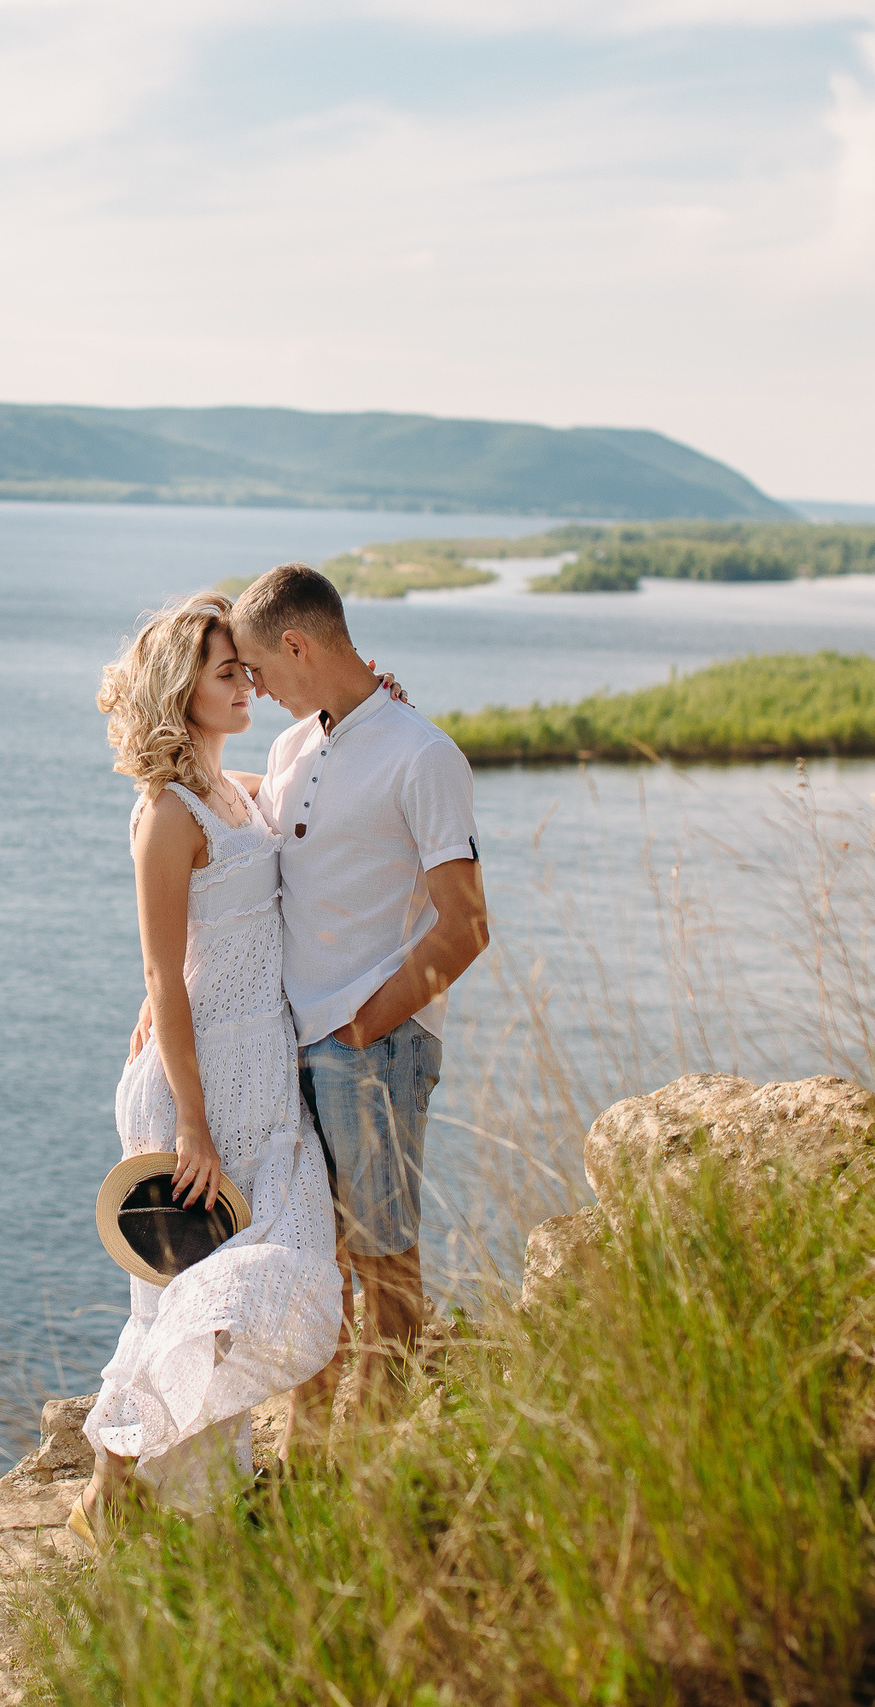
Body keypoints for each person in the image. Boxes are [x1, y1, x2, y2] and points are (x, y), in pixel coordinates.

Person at [74, 592, 343, 1541]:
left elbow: (319, 762)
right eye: (229, 674)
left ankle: (150, 1482)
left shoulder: (238, 790)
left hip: (259, 1078)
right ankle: (132, 1487)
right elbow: (162, 970)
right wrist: (190, 1121)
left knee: (284, 1265)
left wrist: (370, 698)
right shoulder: (166, 812)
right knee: (178, 1299)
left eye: (246, 670)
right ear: (182, 689)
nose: (248, 686)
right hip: (194, 1092)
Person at [228, 562, 490, 1418]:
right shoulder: (290, 748)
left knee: (384, 1266)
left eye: (258, 668)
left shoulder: (423, 754)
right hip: (290, 1047)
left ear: (297, 645)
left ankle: (376, 1461)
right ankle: (316, 1460)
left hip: (371, 1048)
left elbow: (466, 925)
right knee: (313, 1264)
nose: (256, 688)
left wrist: (362, 1027)